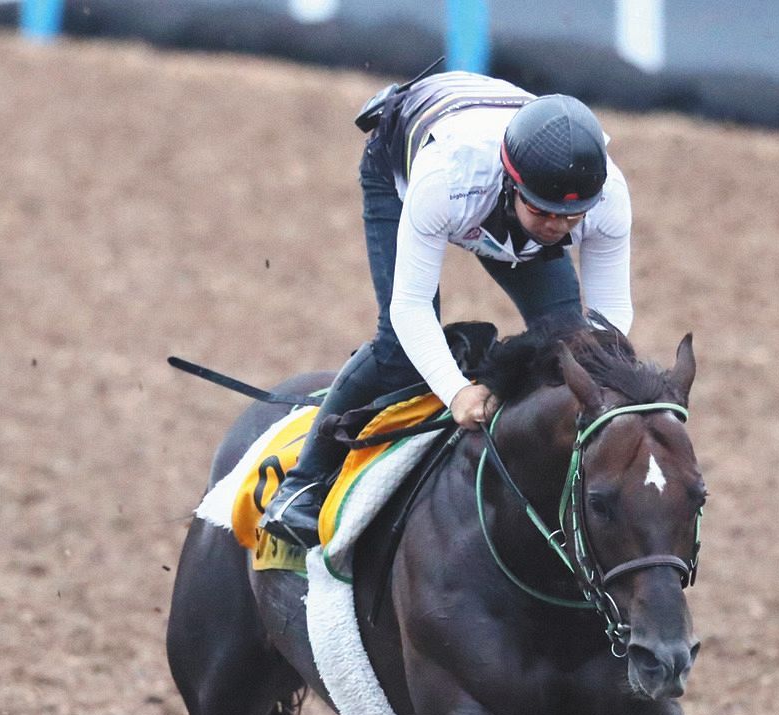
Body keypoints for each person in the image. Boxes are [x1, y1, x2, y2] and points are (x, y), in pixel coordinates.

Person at [262, 69, 633, 548]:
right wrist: (456, 392)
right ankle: (302, 486)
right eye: (542, 212)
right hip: (405, 159)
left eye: (571, 217)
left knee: (571, 344)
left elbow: (606, 325)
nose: (556, 228)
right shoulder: (448, 178)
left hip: (488, 188)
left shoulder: (608, 198)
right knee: (399, 351)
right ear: (511, 184)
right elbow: (410, 308)